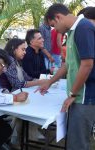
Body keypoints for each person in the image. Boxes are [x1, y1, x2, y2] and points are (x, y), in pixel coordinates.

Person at [36, 3, 95, 150]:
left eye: (53, 25)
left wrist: (73, 94)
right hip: (77, 95)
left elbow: (87, 64)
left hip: (84, 96)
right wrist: (49, 82)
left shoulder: (83, 27)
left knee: (78, 143)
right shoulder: (72, 31)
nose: (54, 30)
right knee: (74, 138)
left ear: (58, 17)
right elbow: (68, 64)